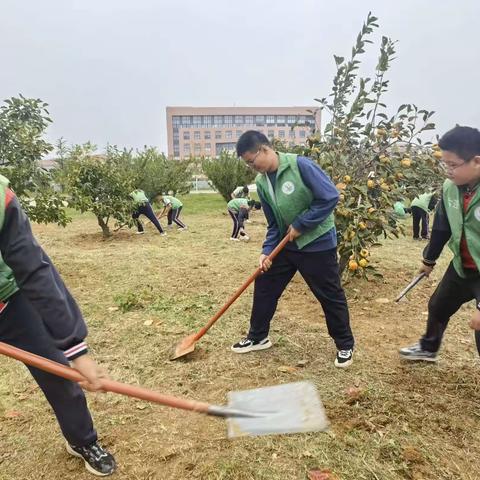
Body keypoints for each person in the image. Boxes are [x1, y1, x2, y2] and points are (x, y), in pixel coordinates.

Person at [0, 175, 116, 476]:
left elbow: (35, 270)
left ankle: (82, 440)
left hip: (9, 298)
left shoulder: (1, 197)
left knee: (57, 372)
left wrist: (76, 350)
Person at [231, 131, 355, 368]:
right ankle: (258, 337)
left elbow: (330, 197)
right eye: (247, 164)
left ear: (264, 150)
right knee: (265, 283)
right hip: (286, 244)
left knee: (329, 294)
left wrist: (302, 224)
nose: (251, 167)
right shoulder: (262, 182)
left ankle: (345, 345)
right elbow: (274, 223)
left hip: (317, 244)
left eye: (251, 161)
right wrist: (266, 251)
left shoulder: (300, 166)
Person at [400, 126, 480, 362]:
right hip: (462, 266)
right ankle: (428, 348)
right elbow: (442, 226)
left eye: (453, 165)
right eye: (445, 164)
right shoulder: (449, 188)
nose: (448, 171)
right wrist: (428, 260)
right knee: (438, 306)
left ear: (476, 161)